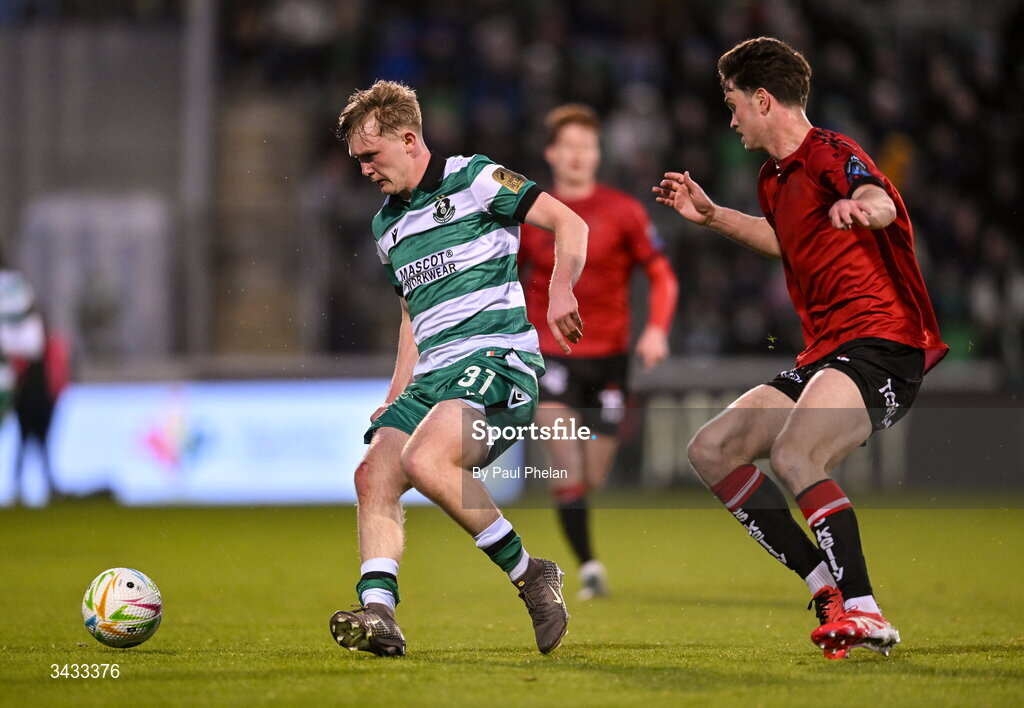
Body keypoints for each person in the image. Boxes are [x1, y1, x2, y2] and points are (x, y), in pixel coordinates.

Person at [653, 37, 947, 660]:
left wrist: (860, 209)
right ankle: (825, 588)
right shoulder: (772, 179)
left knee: (794, 453)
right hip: (826, 351)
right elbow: (784, 240)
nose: (729, 118)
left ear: (763, 100)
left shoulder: (829, 153)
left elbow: (881, 201)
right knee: (711, 450)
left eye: (733, 103)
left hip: (881, 343)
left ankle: (867, 611)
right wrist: (711, 217)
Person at [329, 80, 588, 657]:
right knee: (373, 474)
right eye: (357, 161)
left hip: (499, 363)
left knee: (425, 459)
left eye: (371, 156)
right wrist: (395, 395)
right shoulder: (385, 228)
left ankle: (531, 575)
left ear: (409, 137)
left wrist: (560, 289)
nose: (365, 170)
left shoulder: (475, 179)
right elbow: (410, 315)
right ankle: (379, 615)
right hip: (432, 378)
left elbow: (572, 224)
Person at [518, 104, 678, 600]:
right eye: (567, 146)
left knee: (592, 475)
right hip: (552, 357)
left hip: (610, 360)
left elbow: (661, 275)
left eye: (585, 146)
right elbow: (506, 278)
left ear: (598, 154)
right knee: (565, 465)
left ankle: (580, 539)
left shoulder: (624, 211)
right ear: (551, 153)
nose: (577, 155)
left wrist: (656, 330)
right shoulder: (532, 215)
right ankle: (588, 568)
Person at [11, 309, 71, 504]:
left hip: (45, 402)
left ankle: (48, 486)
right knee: (23, 444)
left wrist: (55, 396)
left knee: (44, 446)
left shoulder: (52, 345)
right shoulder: (22, 347)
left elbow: (61, 372)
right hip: (26, 402)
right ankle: (18, 487)